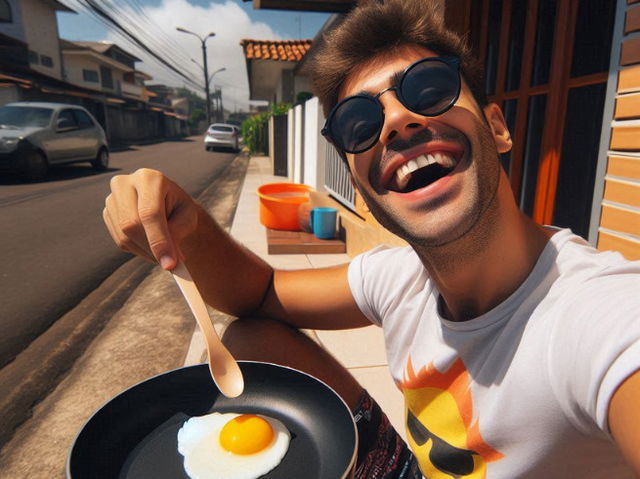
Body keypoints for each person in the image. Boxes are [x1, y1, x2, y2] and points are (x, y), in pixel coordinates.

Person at [103, 0, 640, 477]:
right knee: (250, 342)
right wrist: (190, 225)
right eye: (360, 123)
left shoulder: (601, 318)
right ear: (361, 185)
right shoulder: (399, 276)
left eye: (430, 89)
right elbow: (259, 295)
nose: (397, 123)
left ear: (497, 128)